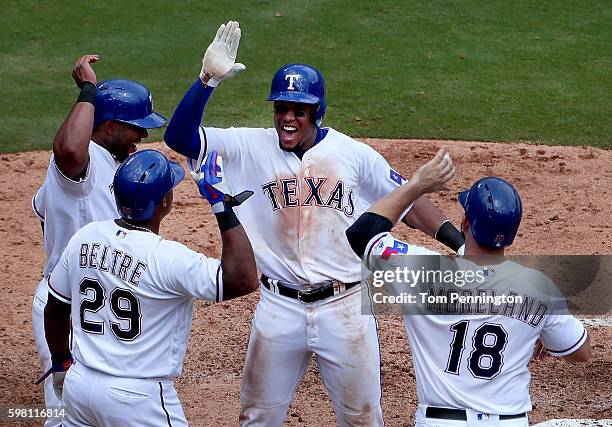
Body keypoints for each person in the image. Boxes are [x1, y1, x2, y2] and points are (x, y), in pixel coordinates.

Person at [163, 21, 465, 426]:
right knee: (256, 417)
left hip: (344, 309)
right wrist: (206, 81)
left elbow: (408, 200)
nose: (288, 118)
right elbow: (180, 138)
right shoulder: (248, 145)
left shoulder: (353, 155)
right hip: (279, 308)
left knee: (362, 419)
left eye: (298, 111)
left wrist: (459, 244)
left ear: (316, 113)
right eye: (281, 108)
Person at [346, 150, 591, 426]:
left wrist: (416, 185)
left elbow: (361, 233)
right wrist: (540, 330)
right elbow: (579, 351)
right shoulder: (538, 287)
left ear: (464, 223)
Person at [41, 149, 259, 426]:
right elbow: (244, 279)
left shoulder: (85, 237)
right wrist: (222, 206)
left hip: (80, 386)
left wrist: (61, 362)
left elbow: (56, 308)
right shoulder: (167, 258)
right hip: (137, 400)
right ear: (165, 202)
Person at [31, 54, 167, 426]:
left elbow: (43, 210)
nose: (142, 135)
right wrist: (88, 90)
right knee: (66, 418)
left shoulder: (104, 167)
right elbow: (70, 151)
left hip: (99, 302)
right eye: (135, 127)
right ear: (107, 127)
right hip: (68, 305)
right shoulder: (80, 163)